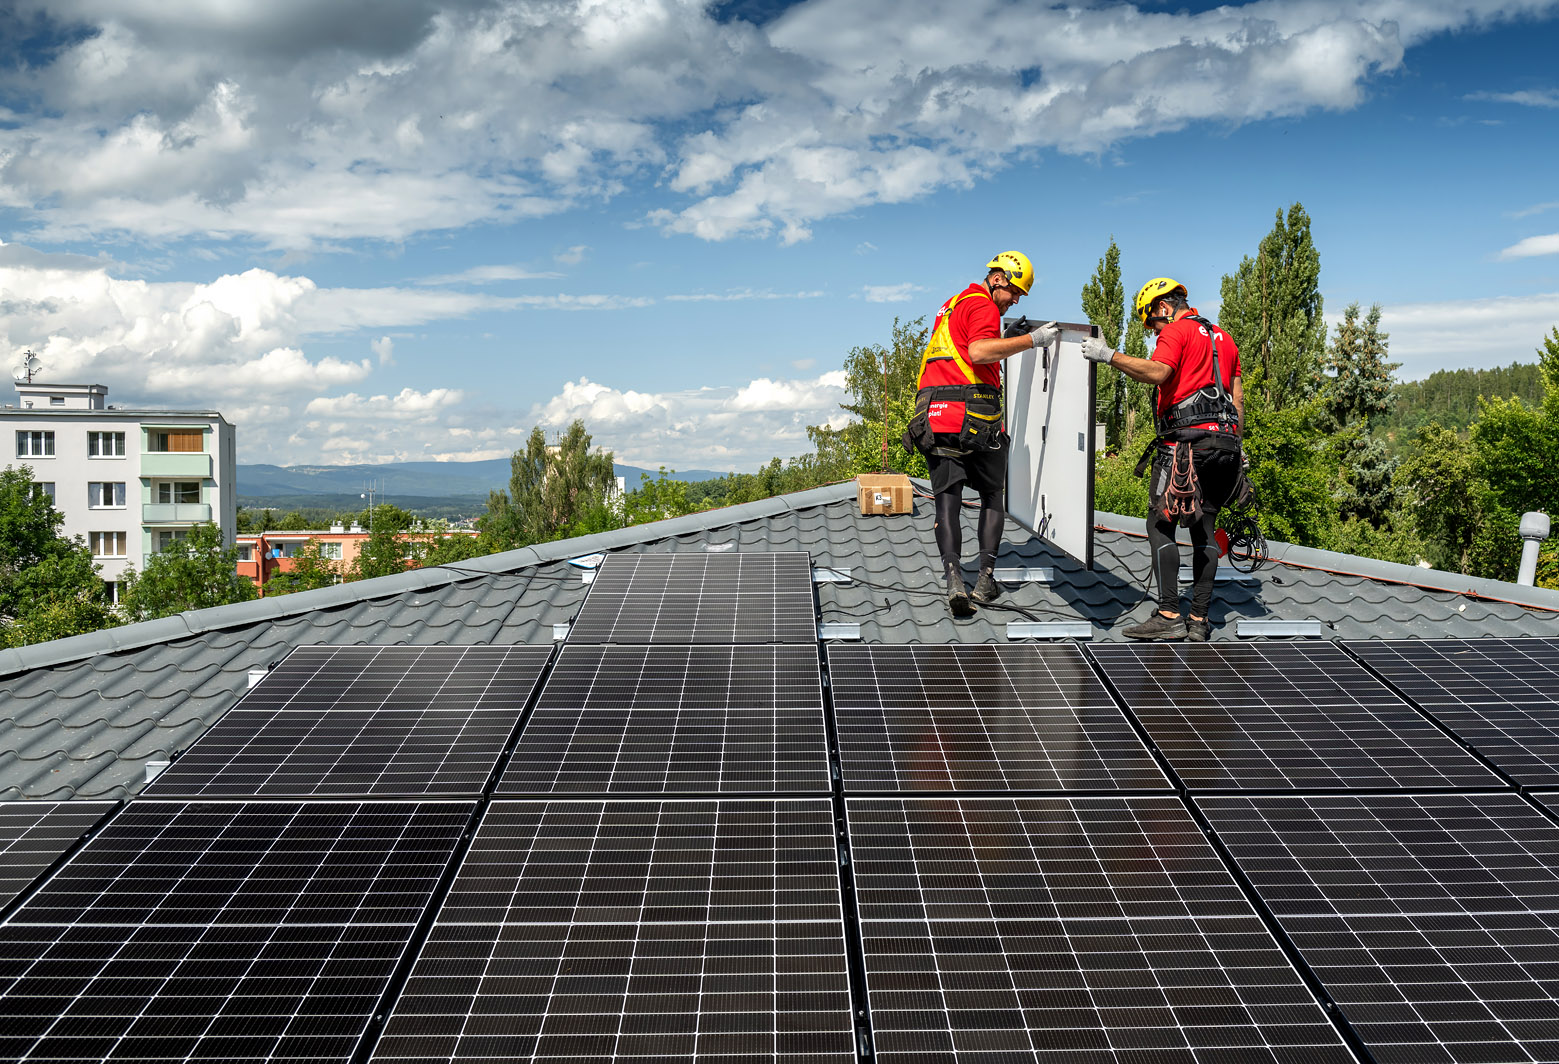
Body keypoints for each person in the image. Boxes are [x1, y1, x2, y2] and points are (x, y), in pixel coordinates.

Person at [1080, 277, 1244, 641]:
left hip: (1186, 446)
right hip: (1227, 445)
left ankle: (1169, 612)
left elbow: (1158, 373)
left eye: (1152, 323)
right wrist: (1238, 448)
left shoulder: (1177, 331)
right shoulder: (1224, 337)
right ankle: (1199, 620)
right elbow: (1237, 398)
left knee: (1160, 523)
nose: (1154, 334)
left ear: (1164, 307)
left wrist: (1109, 356)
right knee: (1204, 529)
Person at [907, 252, 1058, 617]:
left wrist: (1006, 336)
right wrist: (1032, 341)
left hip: (934, 415)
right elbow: (978, 352)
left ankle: (953, 576)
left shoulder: (952, 305)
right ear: (1000, 279)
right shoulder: (984, 305)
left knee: (947, 497)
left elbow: (963, 348)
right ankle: (986, 578)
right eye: (1017, 292)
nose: (1016, 300)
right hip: (972, 415)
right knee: (992, 494)